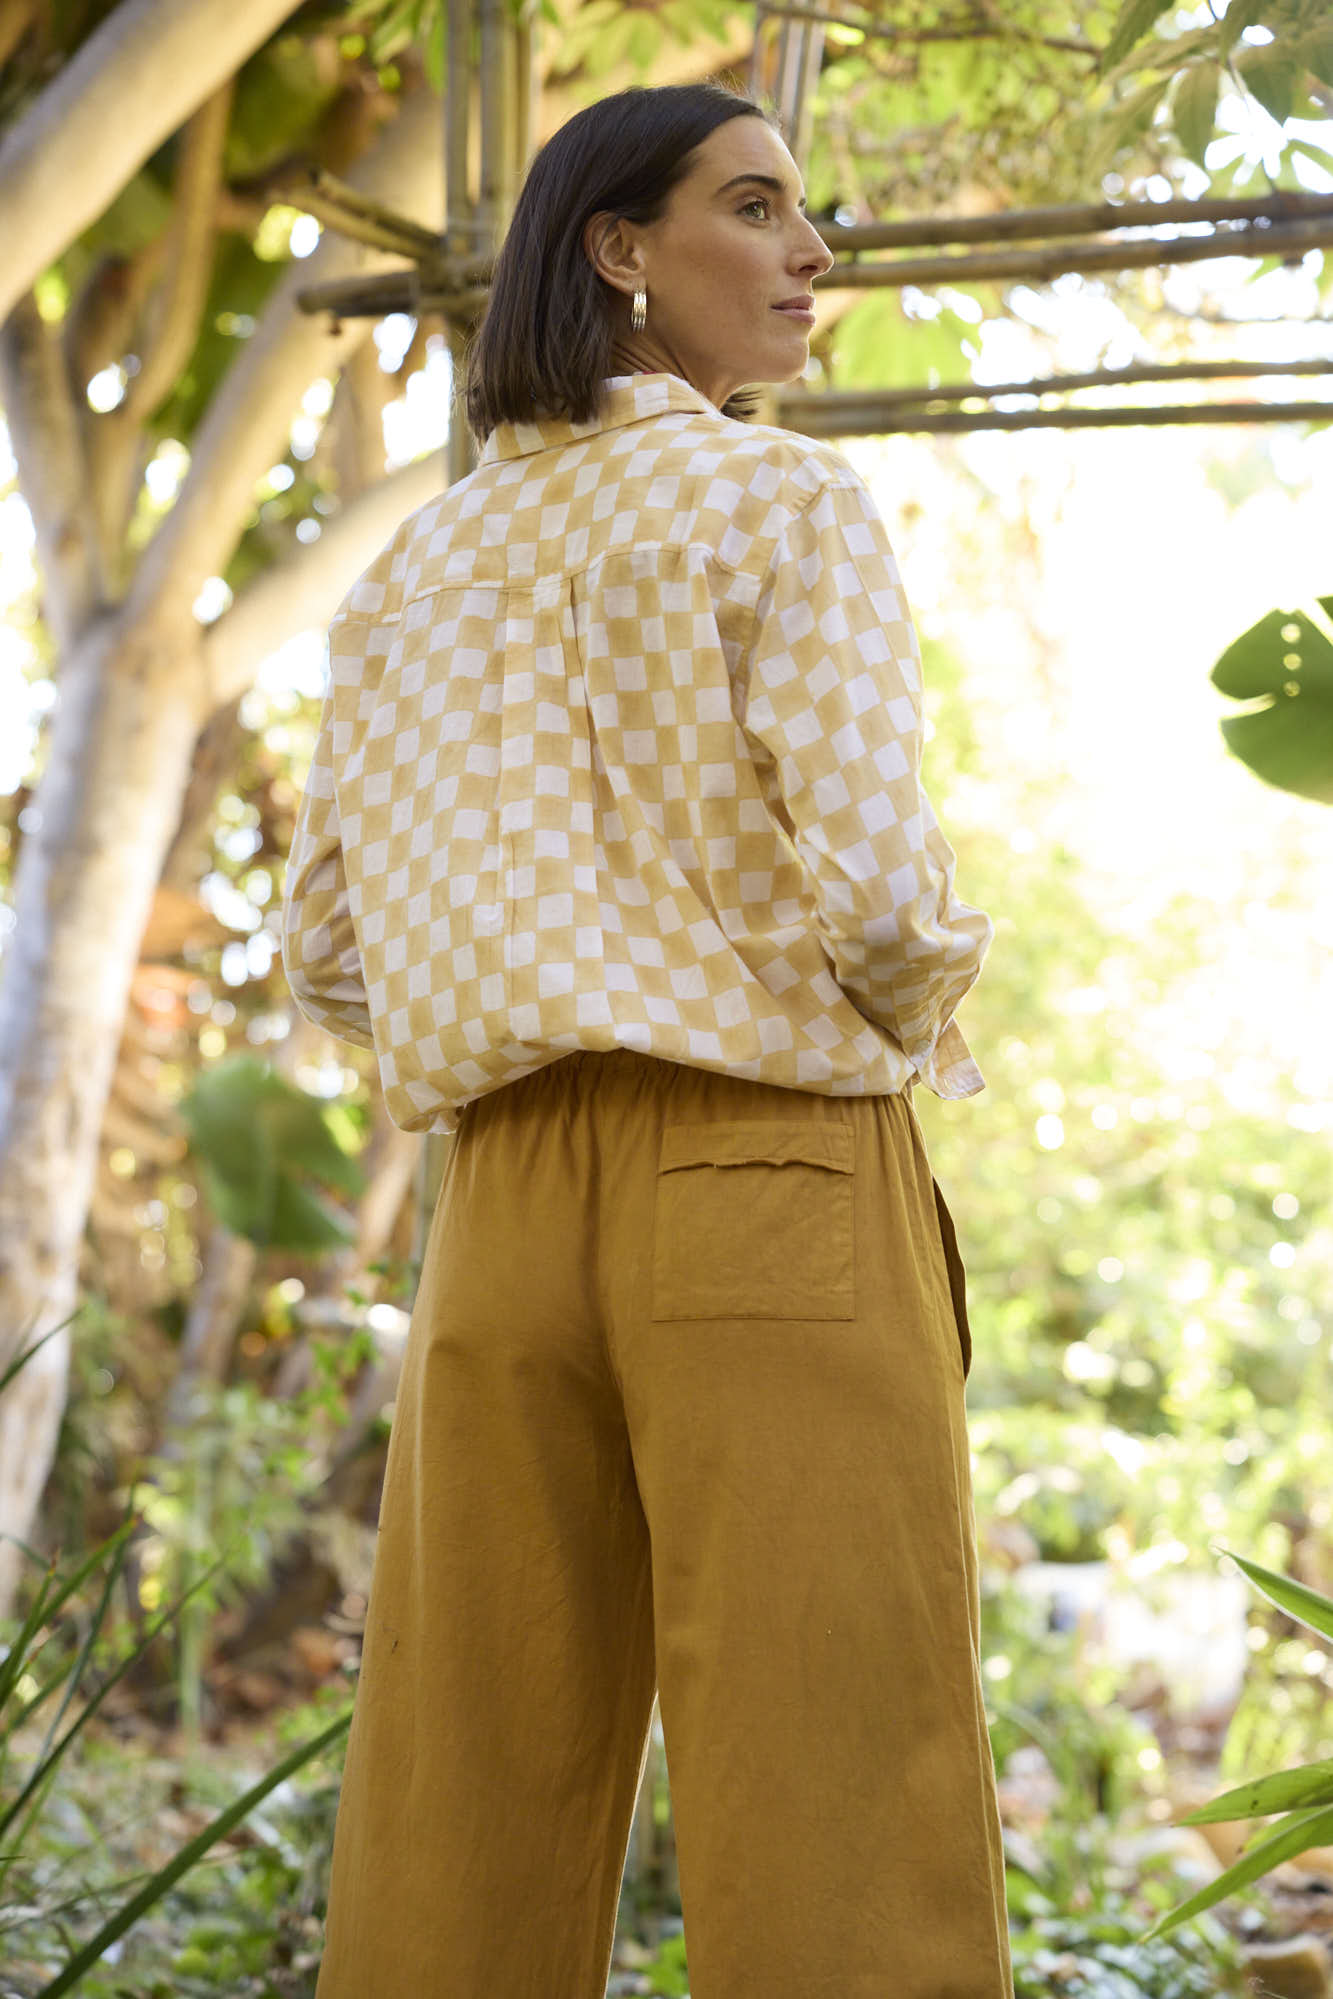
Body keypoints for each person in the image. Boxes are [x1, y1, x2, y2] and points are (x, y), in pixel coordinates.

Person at [281, 76, 1013, 1999]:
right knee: (840, 1781)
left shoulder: (410, 577)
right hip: (766, 1173)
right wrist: (917, 1015)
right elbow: (874, 893)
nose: (811, 253)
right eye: (757, 209)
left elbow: (332, 956)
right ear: (620, 251)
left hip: (500, 1212)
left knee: (465, 1791)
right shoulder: (774, 501)